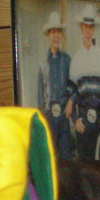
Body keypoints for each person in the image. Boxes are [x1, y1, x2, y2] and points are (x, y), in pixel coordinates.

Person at [68, 9, 100, 160]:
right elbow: (72, 92)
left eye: (91, 27)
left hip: (99, 121)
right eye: (85, 27)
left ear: (94, 29)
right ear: (81, 28)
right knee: (84, 166)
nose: (88, 31)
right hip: (83, 123)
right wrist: (75, 119)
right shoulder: (76, 58)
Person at [36, 11, 73, 160]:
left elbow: (73, 86)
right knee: (50, 158)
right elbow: (40, 93)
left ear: (61, 35)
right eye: (53, 32)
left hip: (64, 115)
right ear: (48, 35)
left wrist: (70, 102)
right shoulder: (43, 64)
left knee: (65, 157)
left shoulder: (67, 60)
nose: (56, 35)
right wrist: (41, 118)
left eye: (58, 32)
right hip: (49, 115)